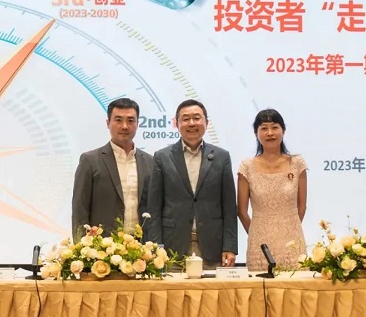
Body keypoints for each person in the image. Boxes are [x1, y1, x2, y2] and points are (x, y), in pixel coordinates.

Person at [146, 99, 238, 269]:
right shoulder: (162, 157)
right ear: (176, 124)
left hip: (213, 247)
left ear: (206, 122)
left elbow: (230, 207)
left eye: (196, 118)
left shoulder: (222, 157)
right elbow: (154, 208)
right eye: (186, 119)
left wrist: (230, 246)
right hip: (171, 249)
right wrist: (155, 247)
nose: (191, 123)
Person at [71, 98, 153, 241]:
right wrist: (81, 246)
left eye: (130, 120)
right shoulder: (90, 160)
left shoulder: (150, 162)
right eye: (118, 120)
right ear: (108, 123)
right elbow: (80, 209)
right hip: (102, 247)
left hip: (141, 247)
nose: (124, 126)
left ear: (137, 124)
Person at [237, 109, 307, 271]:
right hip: (260, 245)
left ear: (283, 130)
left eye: (275, 127)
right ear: (256, 133)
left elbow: (302, 206)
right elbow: (241, 211)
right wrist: (256, 233)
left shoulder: (297, 163)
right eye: (264, 128)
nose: (270, 133)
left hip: (292, 242)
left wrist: (290, 228)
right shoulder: (246, 166)